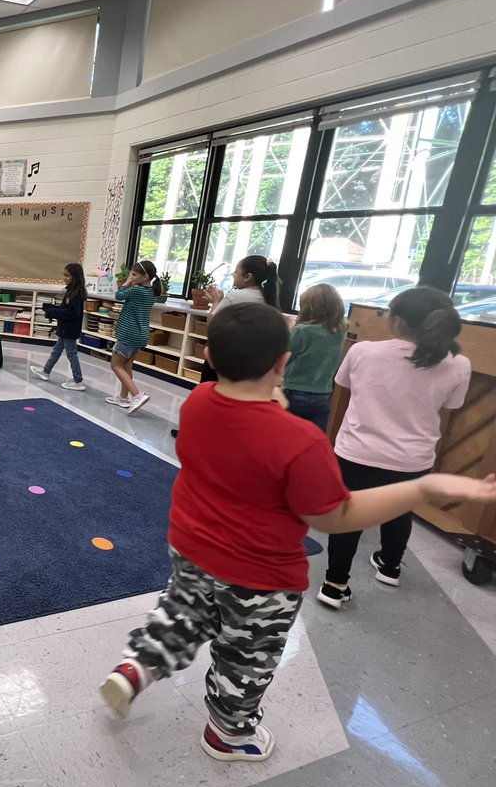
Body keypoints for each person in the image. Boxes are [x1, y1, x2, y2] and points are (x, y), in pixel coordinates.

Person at [99, 302, 495, 762]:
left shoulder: (198, 401)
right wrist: (420, 488)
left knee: (183, 614)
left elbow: (243, 429)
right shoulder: (301, 441)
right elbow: (334, 517)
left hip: (191, 548)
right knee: (246, 655)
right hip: (259, 574)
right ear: (283, 363)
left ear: (207, 356)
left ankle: (137, 667)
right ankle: (227, 735)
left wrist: (271, 404)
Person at [318, 287, 472, 609]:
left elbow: (343, 385)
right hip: (412, 458)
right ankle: (390, 567)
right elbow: (450, 406)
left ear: (399, 320)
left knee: (349, 516)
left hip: (357, 451)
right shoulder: (458, 364)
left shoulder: (363, 351)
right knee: (401, 511)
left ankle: (334, 585)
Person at [171, 254, 279, 437]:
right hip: (248, 359)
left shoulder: (237, 296)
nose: (233, 275)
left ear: (248, 277)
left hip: (224, 355)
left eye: (236, 272)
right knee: (230, 397)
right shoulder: (267, 298)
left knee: (207, 393)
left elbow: (213, 324)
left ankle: (193, 432)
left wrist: (215, 302)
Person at [283, 283, 347, 432]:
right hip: (323, 394)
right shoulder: (340, 332)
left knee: (287, 433)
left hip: (295, 391)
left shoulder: (302, 331)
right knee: (313, 434)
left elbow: (283, 358)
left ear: (308, 308)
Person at [107, 260, 160, 412]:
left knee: (116, 365)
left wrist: (127, 282)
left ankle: (137, 395)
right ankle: (123, 398)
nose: (131, 276)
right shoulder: (151, 292)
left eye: (134, 274)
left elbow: (119, 295)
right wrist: (132, 280)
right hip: (140, 334)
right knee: (127, 365)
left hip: (128, 334)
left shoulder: (137, 290)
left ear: (145, 277)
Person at [30, 262, 90, 393]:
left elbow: (72, 313)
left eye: (67, 276)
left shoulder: (76, 294)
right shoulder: (71, 291)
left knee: (71, 354)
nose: (64, 278)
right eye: (64, 275)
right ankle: (46, 371)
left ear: (75, 277)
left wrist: (53, 312)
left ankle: (78, 381)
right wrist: (51, 309)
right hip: (65, 328)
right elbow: (65, 309)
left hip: (69, 329)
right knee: (56, 350)